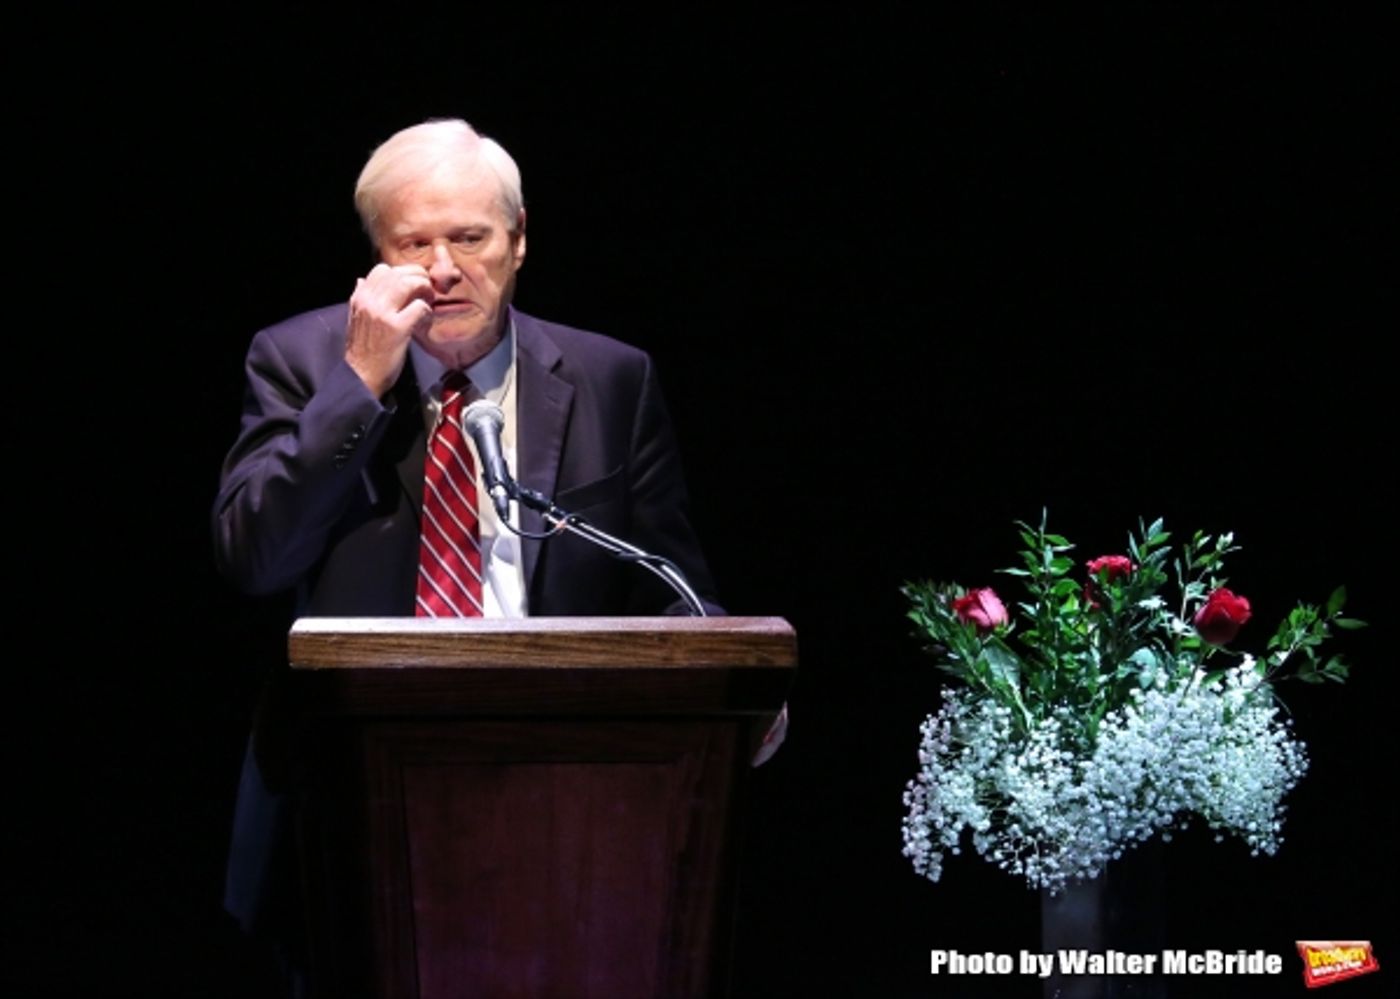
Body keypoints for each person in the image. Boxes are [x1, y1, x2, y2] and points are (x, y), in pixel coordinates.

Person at [212, 117, 726, 979]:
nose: (443, 270)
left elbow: (671, 582)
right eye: (413, 244)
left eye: (470, 238)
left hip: (570, 787)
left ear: (519, 241)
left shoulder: (612, 377)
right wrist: (358, 385)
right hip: (355, 790)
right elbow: (254, 556)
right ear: (375, 256)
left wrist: (732, 680)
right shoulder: (299, 360)